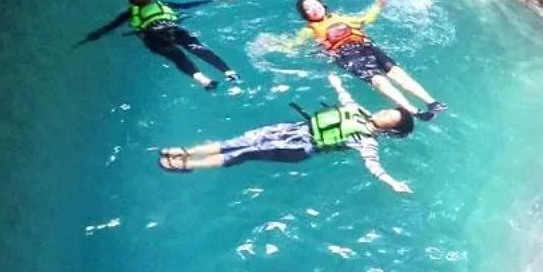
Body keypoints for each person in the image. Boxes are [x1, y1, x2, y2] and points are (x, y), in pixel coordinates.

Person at [159, 76, 416, 191]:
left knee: (246, 153)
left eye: (389, 118)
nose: (383, 113)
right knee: (237, 141)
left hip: (302, 148)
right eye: (387, 111)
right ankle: (187, 151)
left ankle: (189, 164)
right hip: (293, 129)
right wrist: (337, 83)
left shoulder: (367, 140)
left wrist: (392, 183)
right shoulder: (359, 111)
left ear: (389, 129)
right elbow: (345, 99)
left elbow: (373, 165)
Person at [292, 0, 443, 116]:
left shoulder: (341, 17)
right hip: (347, 56)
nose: (314, 8)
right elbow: (293, 45)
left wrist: (378, 6)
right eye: (308, 8)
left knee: (397, 72)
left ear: (322, 3)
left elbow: (365, 19)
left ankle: (431, 102)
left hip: (366, 47)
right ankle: (413, 110)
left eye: (314, 4)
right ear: (305, 15)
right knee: (378, 80)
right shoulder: (309, 30)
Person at [81, 0, 239, 89]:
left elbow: (187, 5)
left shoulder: (161, 4)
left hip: (165, 32)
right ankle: (214, 77)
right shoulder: (131, 12)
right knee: (184, 53)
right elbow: (111, 26)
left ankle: (219, 75)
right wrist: (94, 36)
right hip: (154, 34)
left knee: (191, 50)